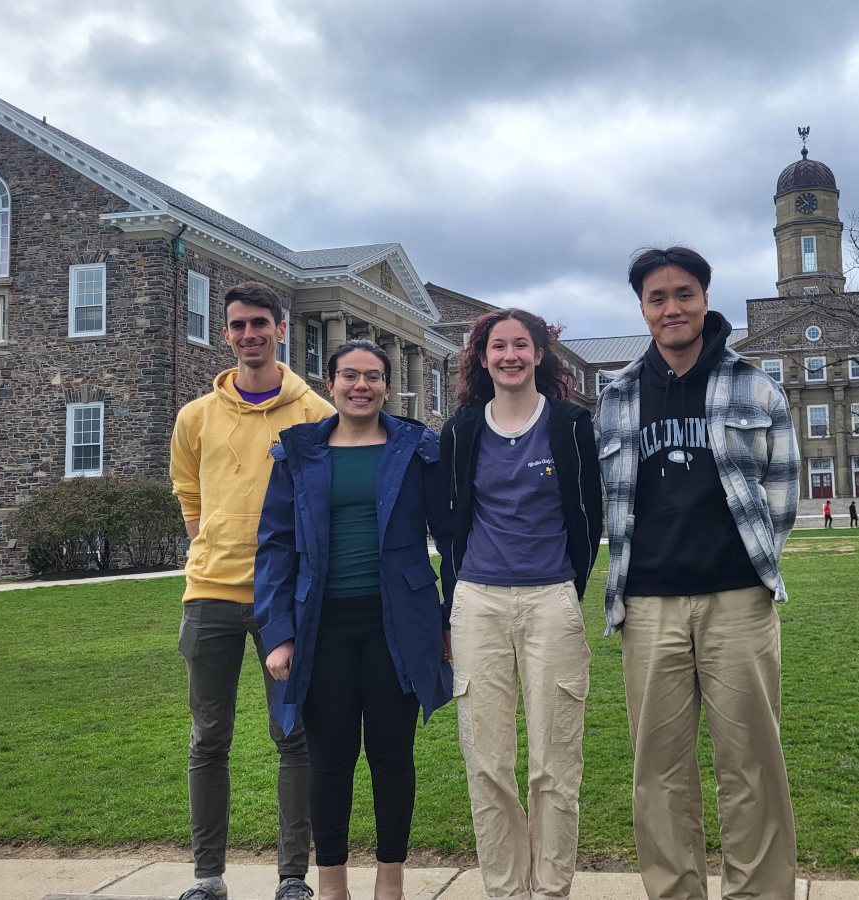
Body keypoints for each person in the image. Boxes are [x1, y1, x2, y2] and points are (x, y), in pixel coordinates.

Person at [595, 247, 800, 900]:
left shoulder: (757, 388)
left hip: (737, 601)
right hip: (649, 605)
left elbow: (782, 498)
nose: (671, 308)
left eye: (683, 293)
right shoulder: (619, 394)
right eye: (657, 298)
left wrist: (750, 561)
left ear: (705, 299)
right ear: (643, 309)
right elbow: (611, 499)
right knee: (659, 772)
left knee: (751, 765)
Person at [255, 339, 453, 900]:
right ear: (331, 384)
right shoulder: (299, 452)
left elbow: (454, 539)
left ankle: (389, 883)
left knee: (392, 756)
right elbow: (273, 546)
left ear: (387, 386)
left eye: (372, 376)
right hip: (321, 624)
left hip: (400, 620)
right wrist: (278, 633)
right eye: (349, 375)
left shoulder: (417, 449)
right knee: (330, 758)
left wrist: (446, 620)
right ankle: (334, 885)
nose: (360, 386)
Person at [170, 281, 335, 900]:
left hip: (286, 600)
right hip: (209, 594)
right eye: (238, 325)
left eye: (259, 323)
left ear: (281, 329)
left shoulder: (315, 414)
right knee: (208, 737)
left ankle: (292, 877)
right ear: (226, 334)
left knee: (293, 735)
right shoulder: (196, 417)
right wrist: (211, 546)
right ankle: (207, 876)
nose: (249, 335)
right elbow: (189, 496)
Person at [437, 308, 602, 900]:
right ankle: (505, 889)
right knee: (488, 761)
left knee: (555, 763)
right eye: (498, 346)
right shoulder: (460, 430)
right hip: (477, 601)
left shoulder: (569, 423)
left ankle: (551, 888)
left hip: (551, 601)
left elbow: (588, 515)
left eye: (521, 345)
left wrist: (566, 589)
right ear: (482, 357)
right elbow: (452, 522)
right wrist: (450, 605)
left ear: (539, 355)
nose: (510, 355)